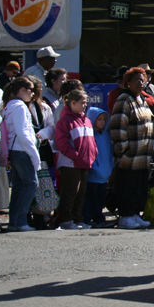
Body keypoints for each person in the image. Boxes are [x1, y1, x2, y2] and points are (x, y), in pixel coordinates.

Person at [110, 67, 154, 229]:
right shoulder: (124, 100)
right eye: (137, 80)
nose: (140, 83)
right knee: (127, 187)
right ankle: (126, 216)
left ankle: (135, 214)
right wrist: (123, 151)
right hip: (129, 158)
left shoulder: (142, 100)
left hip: (143, 157)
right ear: (128, 82)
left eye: (143, 80)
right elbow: (117, 127)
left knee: (140, 187)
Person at [54, 90, 97, 230]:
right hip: (70, 164)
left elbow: (92, 141)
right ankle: (66, 220)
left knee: (81, 194)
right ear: (73, 103)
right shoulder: (65, 120)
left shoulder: (87, 120)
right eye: (82, 102)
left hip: (85, 162)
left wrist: (93, 153)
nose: (85, 105)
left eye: (86, 102)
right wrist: (76, 155)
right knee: (70, 192)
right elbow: (61, 143)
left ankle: (77, 219)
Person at [3, 77, 40, 231]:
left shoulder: (11, 106)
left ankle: (15, 222)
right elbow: (22, 133)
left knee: (19, 186)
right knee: (31, 184)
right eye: (31, 90)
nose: (33, 93)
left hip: (16, 150)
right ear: (22, 90)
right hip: (21, 150)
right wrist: (34, 154)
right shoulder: (19, 107)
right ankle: (19, 221)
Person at [85, 105, 116, 228]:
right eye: (99, 119)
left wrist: (110, 166)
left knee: (100, 198)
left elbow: (109, 152)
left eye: (104, 119)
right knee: (91, 198)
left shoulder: (105, 135)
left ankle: (99, 218)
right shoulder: (90, 136)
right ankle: (87, 218)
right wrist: (94, 167)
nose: (102, 122)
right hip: (94, 174)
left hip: (104, 173)